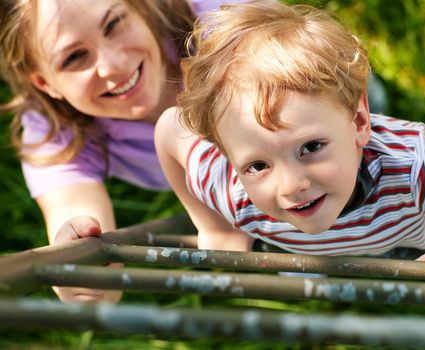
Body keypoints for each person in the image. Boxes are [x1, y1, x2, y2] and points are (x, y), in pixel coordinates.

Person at [156, 0, 425, 286]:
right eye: (258, 165)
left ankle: (371, 96)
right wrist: (213, 225)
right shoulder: (233, 191)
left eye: (311, 147)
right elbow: (171, 126)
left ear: (358, 121)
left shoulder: (412, 169)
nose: (291, 185)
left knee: (340, 100)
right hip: (313, 255)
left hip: (398, 239)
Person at [0, 0, 244, 304]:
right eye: (75, 57)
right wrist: (82, 267)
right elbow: (75, 212)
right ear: (44, 83)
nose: (113, 65)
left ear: (140, 7)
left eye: (114, 24)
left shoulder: (223, 25)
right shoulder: (53, 128)